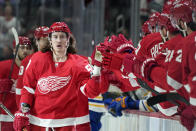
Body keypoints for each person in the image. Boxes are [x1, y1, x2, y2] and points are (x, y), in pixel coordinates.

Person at [13, 22, 104, 131]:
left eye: (62, 36)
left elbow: (91, 92)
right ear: (50, 40)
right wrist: (23, 111)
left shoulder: (79, 64)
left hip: (69, 124)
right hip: (39, 123)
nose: (59, 40)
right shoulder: (37, 60)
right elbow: (28, 89)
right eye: (55, 37)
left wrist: (97, 71)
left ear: (68, 40)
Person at [0, 36, 33, 131]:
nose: (25, 51)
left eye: (28, 48)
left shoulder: (33, 68)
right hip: (5, 117)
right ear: (15, 50)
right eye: (22, 47)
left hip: (25, 119)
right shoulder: (3, 66)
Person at [15, 26, 50, 107]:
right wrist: (22, 110)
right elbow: (20, 89)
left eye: (48, 39)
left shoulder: (58, 58)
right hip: (35, 109)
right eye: (43, 39)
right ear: (36, 41)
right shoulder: (28, 60)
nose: (47, 42)